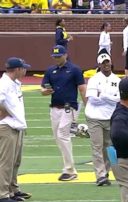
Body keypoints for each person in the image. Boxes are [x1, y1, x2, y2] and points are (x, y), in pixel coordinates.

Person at [41, 45, 86, 181]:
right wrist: (45, 91)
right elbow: (43, 88)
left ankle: (70, 170)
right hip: (55, 107)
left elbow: (82, 89)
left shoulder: (75, 70)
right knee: (58, 137)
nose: (57, 59)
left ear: (66, 55)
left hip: (69, 107)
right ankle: (69, 166)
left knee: (62, 134)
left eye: (59, 56)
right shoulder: (50, 71)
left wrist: (88, 106)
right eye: (55, 56)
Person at [85, 53, 120, 186]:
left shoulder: (117, 80)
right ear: (99, 64)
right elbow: (92, 99)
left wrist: (104, 96)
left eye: (108, 62)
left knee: (109, 146)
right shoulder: (94, 79)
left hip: (110, 117)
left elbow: (118, 99)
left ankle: (106, 172)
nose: (106, 65)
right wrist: (110, 98)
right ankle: (100, 175)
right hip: (94, 117)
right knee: (97, 146)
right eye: (103, 63)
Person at [0, 57, 32, 202]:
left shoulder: (15, 83)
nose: (25, 70)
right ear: (17, 69)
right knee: (6, 162)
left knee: (15, 161)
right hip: (7, 126)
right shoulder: (4, 83)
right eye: (23, 67)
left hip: (16, 125)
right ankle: (2, 193)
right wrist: (4, 114)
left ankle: (12, 189)